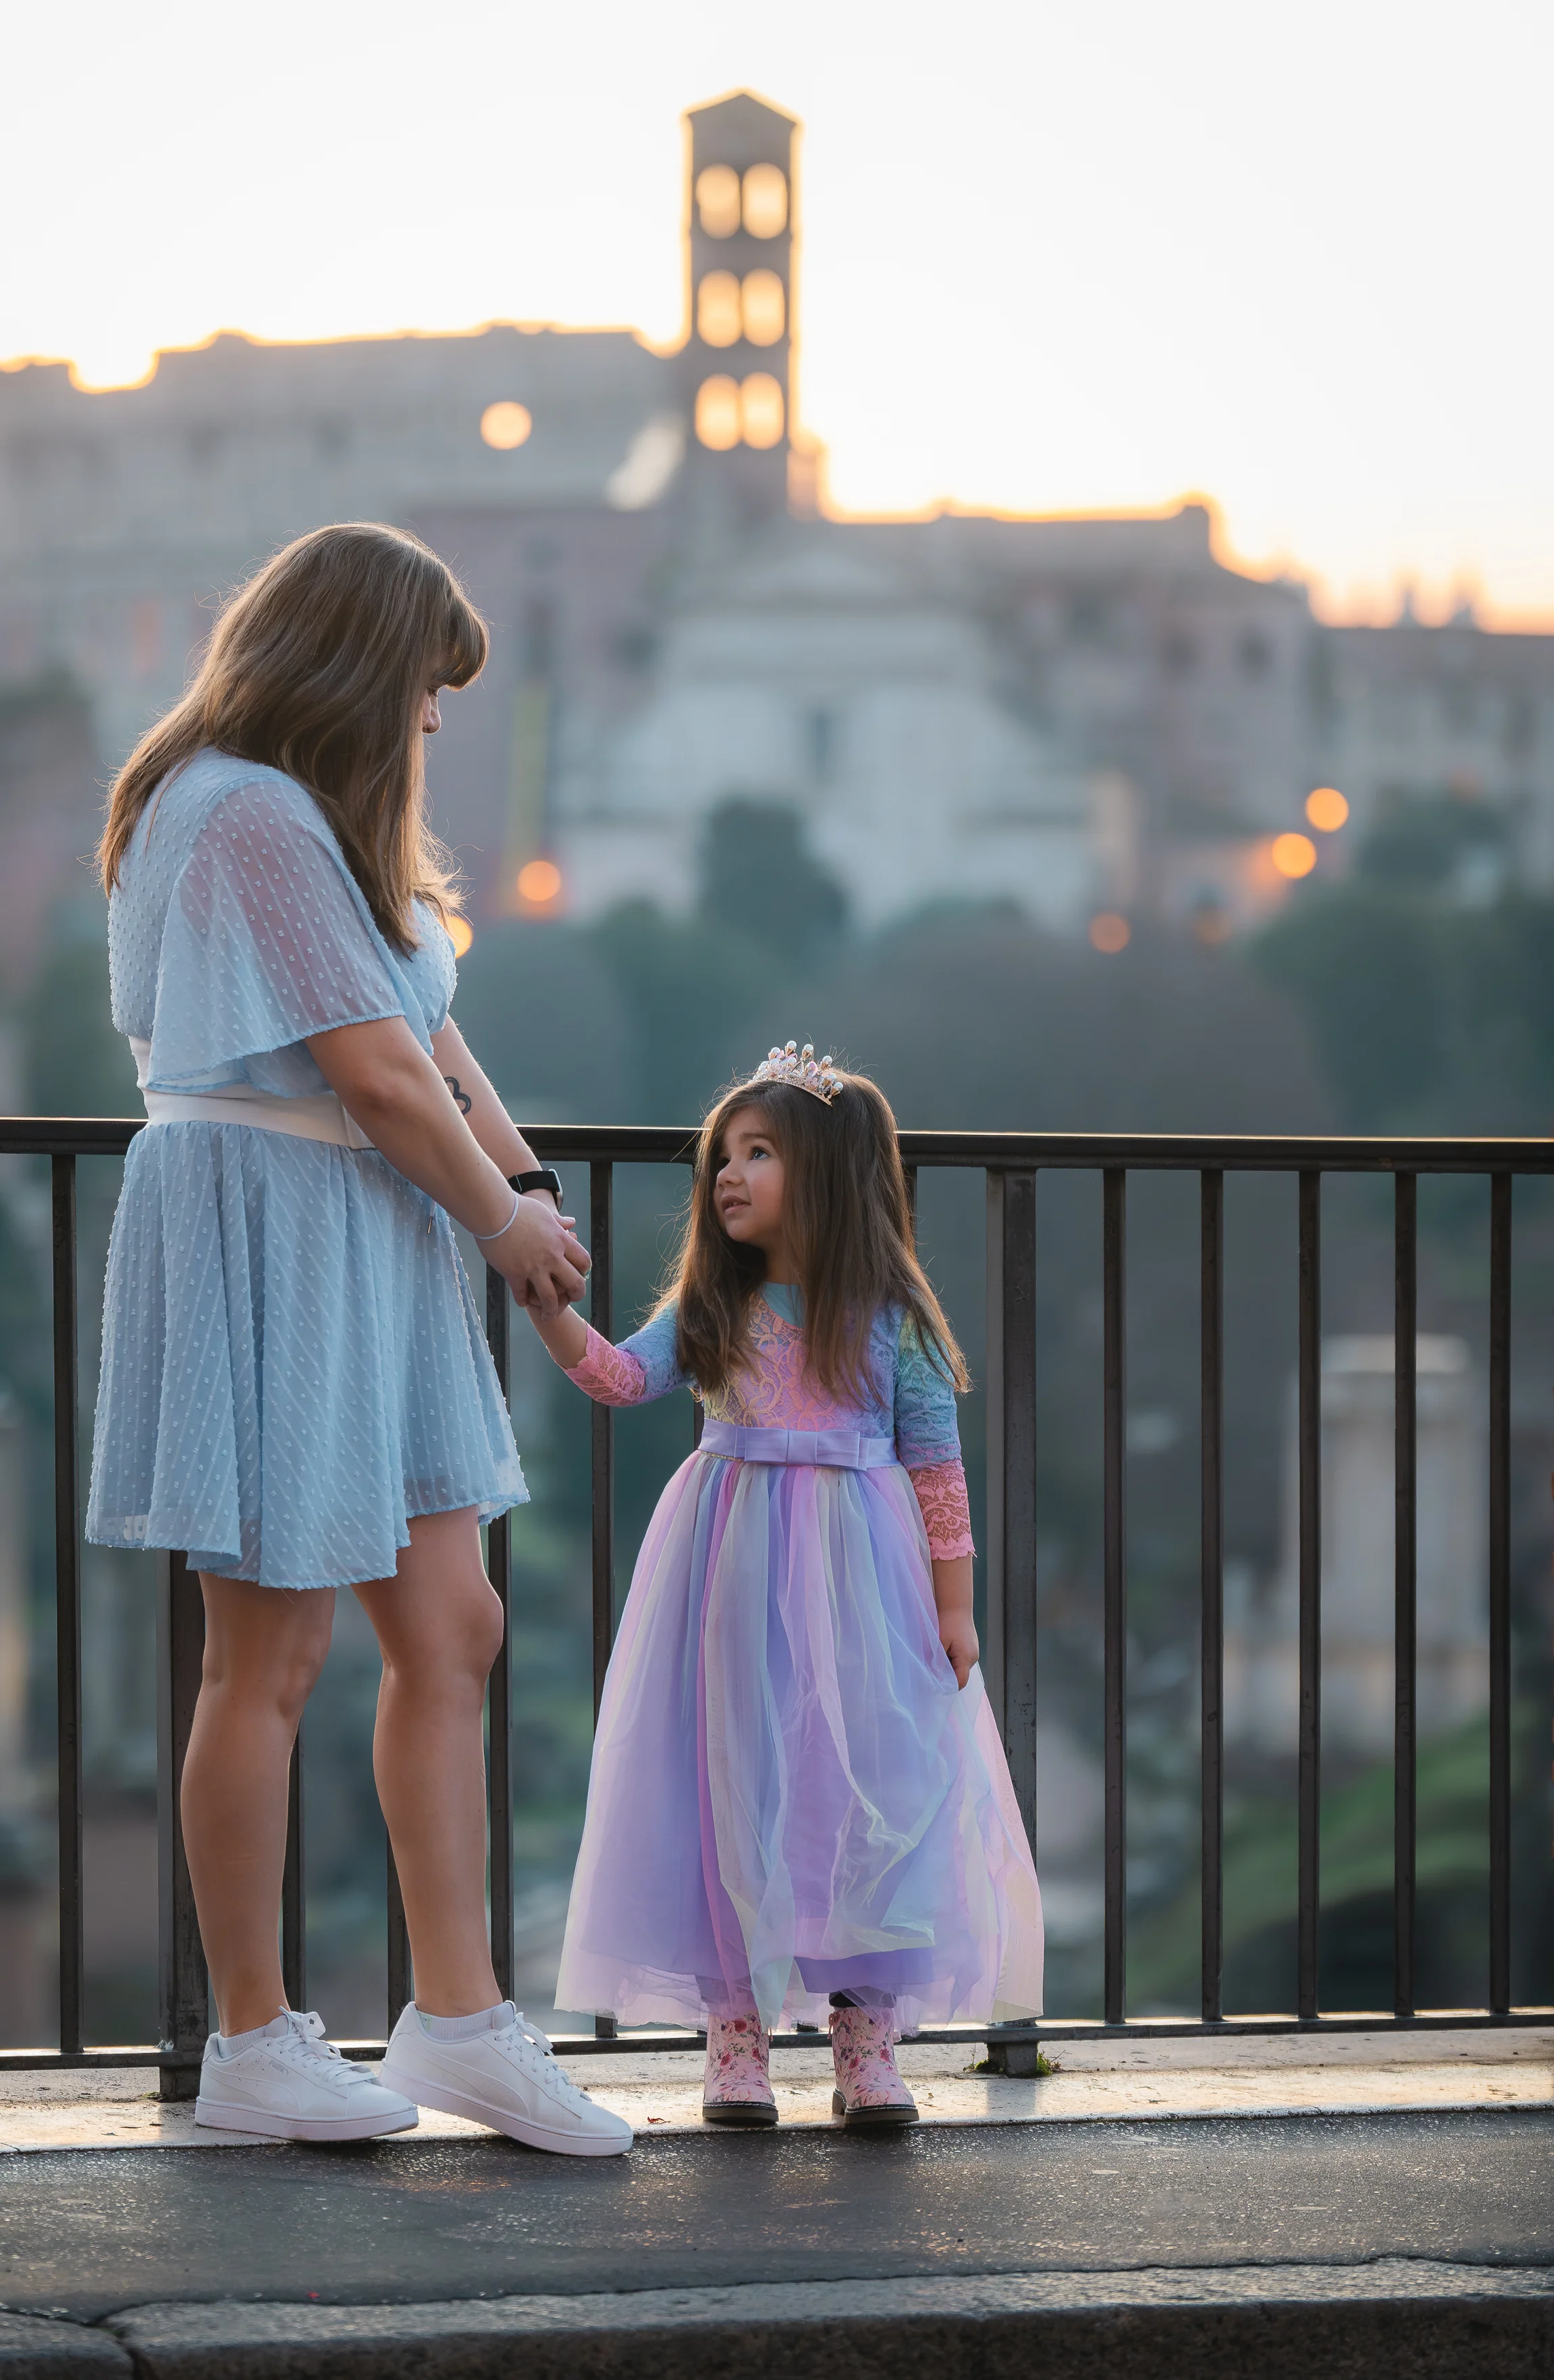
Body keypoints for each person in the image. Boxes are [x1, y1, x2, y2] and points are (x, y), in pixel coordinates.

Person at [87, 522, 631, 2156]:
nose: (435, 717)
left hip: (360, 1229)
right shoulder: (243, 810)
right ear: (353, 666)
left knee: (450, 1624)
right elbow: (376, 1073)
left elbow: (427, 1040)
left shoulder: (293, 815)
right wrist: (501, 1226)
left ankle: (458, 2022)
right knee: (267, 1656)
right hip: (274, 1220)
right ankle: (252, 2039)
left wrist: (522, 1197)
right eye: (422, 685)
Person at [529, 1044, 1043, 2128]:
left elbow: (938, 1467)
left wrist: (954, 1608)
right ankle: (736, 2040)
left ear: (828, 1173)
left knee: (862, 1788)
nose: (729, 1174)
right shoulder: (715, 1304)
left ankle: (867, 2042)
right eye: (724, 1155)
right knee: (732, 1785)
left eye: (759, 1153)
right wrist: (547, 1309)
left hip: (865, 1581)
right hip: (730, 1572)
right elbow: (622, 1377)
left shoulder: (891, 1317)